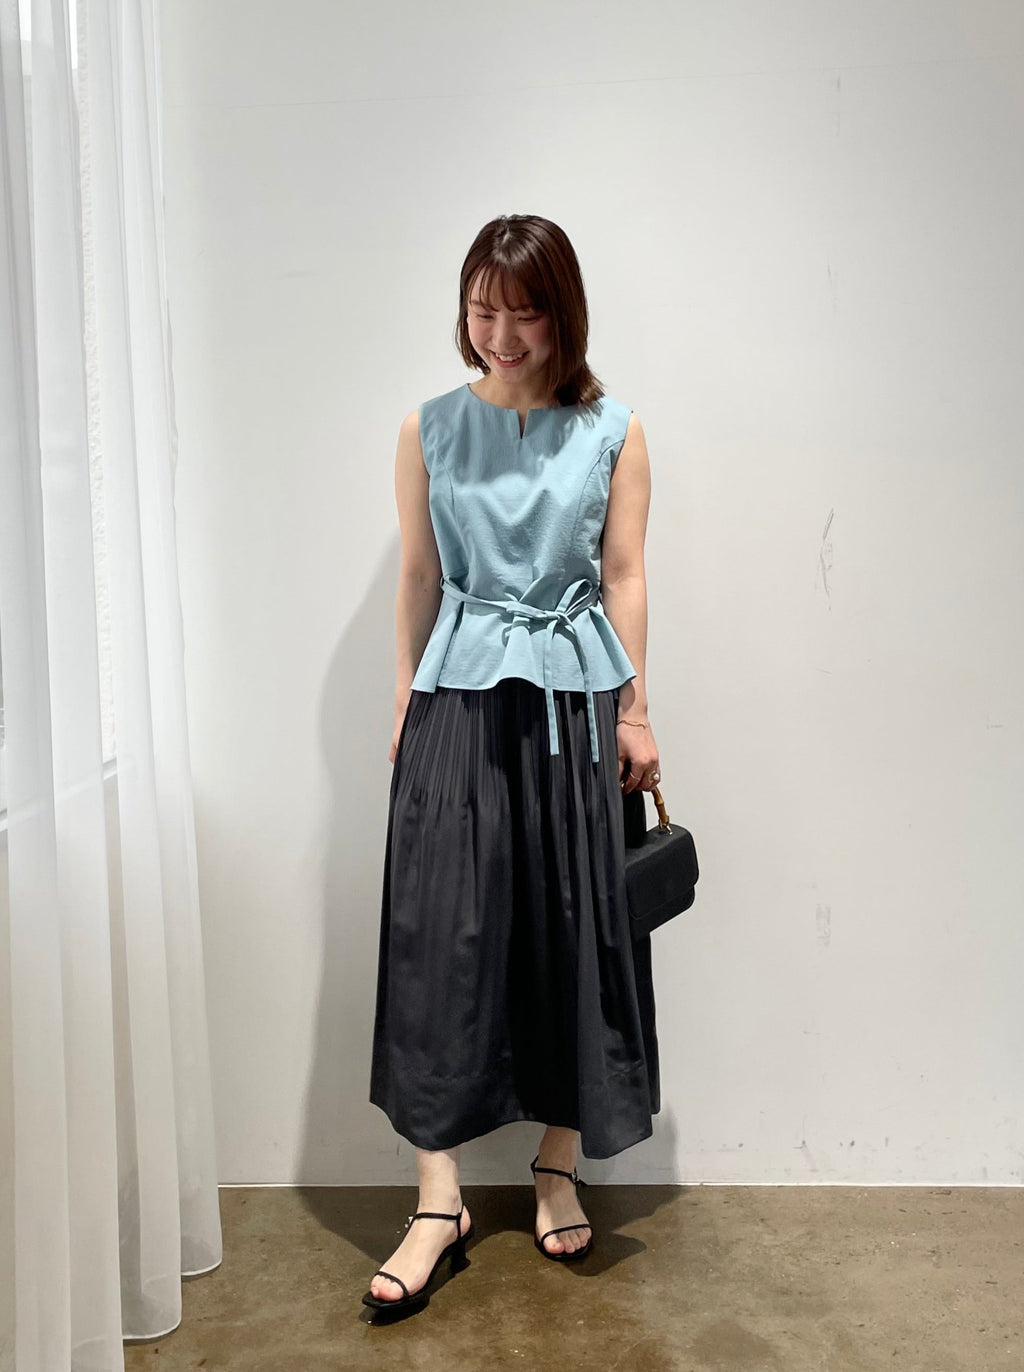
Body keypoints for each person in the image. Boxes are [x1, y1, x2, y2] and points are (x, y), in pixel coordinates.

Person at [364, 214, 662, 1315]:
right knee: (437, 937)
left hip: (575, 701)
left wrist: (635, 707)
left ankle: (556, 1162)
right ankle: (436, 1199)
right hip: (458, 698)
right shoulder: (428, 428)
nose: (498, 333)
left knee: (572, 924)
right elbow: (419, 574)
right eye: (481, 310)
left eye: (522, 311)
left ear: (562, 313)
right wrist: (407, 697)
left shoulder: (614, 430)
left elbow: (622, 574)